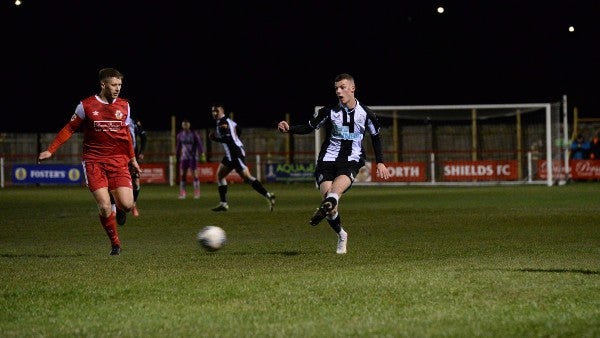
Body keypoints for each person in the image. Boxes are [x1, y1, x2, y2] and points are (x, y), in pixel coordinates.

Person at [277, 73, 390, 254]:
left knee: (333, 194)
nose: (339, 91)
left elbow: (376, 137)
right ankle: (341, 234)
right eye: (336, 88)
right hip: (327, 160)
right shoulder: (329, 111)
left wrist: (381, 162)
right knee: (330, 206)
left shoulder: (366, 114)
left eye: (343, 87)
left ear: (352, 88)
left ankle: (327, 204)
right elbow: (309, 127)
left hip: (351, 160)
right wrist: (289, 128)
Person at [38, 67, 140, 256]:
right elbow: (69, 128)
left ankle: (120, 208)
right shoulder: (86, 106)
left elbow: (126, 134)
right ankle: (115, 244)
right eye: (114, 85)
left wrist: (132, 159)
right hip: (94, 161)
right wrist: (50, 150)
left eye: (120, 85)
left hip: (118, 161)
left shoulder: (125, 105)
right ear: (103, 84)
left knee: (127, 204)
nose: (118, 88)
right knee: (104, 205)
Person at [209, 103, 276, 212]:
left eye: (216, 111)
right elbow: (238, 129)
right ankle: (224, 204)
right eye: (213, 111)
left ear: (222, 110)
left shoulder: (222, 124)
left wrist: (215, 139)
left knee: (247, 178)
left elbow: (229, 140)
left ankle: (269, 195)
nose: (214, 113)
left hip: (235, 153)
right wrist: (236, 138)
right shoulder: (229, 121)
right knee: (220, 176)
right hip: (230, 154)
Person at [109, 116, 146, 224]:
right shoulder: (113, 122)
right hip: (118, 157)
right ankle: (113, 208)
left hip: (132, 157)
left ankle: (133, 204)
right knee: (113, 182)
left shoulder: (134, 122)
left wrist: (142, 152)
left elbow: (144, 137)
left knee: (136, 182)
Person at [176, 119, 205, 199]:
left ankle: (197, 192)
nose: (185, 126)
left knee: (195, 175)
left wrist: (202, 154)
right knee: (182, 175)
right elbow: (178, 146)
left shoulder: (194, 134)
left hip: (193, 157)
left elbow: (199, 144)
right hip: (184, 158)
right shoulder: (180, 135)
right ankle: (182, 193)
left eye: (186, 124)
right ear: (182, 125)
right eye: (184, 124)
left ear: (189, 125)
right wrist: (176, 155)